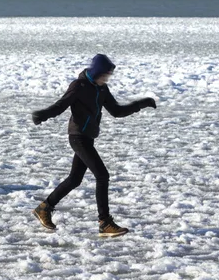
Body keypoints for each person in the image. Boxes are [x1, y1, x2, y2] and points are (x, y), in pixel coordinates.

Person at [30, 54, 156, 236]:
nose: (107, 79)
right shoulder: (79, 86)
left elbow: (117, 111)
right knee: (102, 175)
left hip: (88, 138)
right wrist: (43, 115)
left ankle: (44, 208)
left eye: (108, 76)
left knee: (75, 179)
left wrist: (141, 104)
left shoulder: (102, 89)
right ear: (97, 72)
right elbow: (61, 105)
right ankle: (105, 222)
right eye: (105, 75)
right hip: (77, 137)